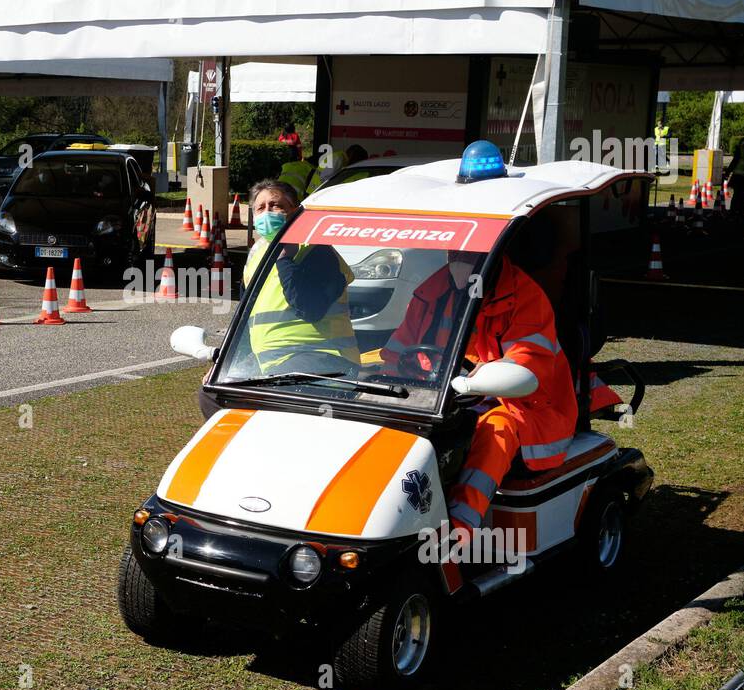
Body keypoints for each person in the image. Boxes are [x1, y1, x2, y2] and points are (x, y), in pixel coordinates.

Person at [382, 249, 576, 536]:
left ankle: (459, 531)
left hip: (527, 406)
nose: (458, 259)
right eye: (455, 252)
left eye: (469, 254)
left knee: (495, 429)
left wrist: (474, 383)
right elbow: (397, 354)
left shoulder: (525, 297)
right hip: (445, 394)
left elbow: (525, 370)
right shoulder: (434, 292)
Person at [242, 179, 360, 375]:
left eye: (275, 205)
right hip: (274, 365)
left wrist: (284, 260)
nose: (267, 213)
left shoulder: (317, 251)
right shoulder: (258, 255)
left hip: (322, 358)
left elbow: (310, 309)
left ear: (295, 212)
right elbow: (246, 318)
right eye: (260, 208)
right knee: (210, 394)